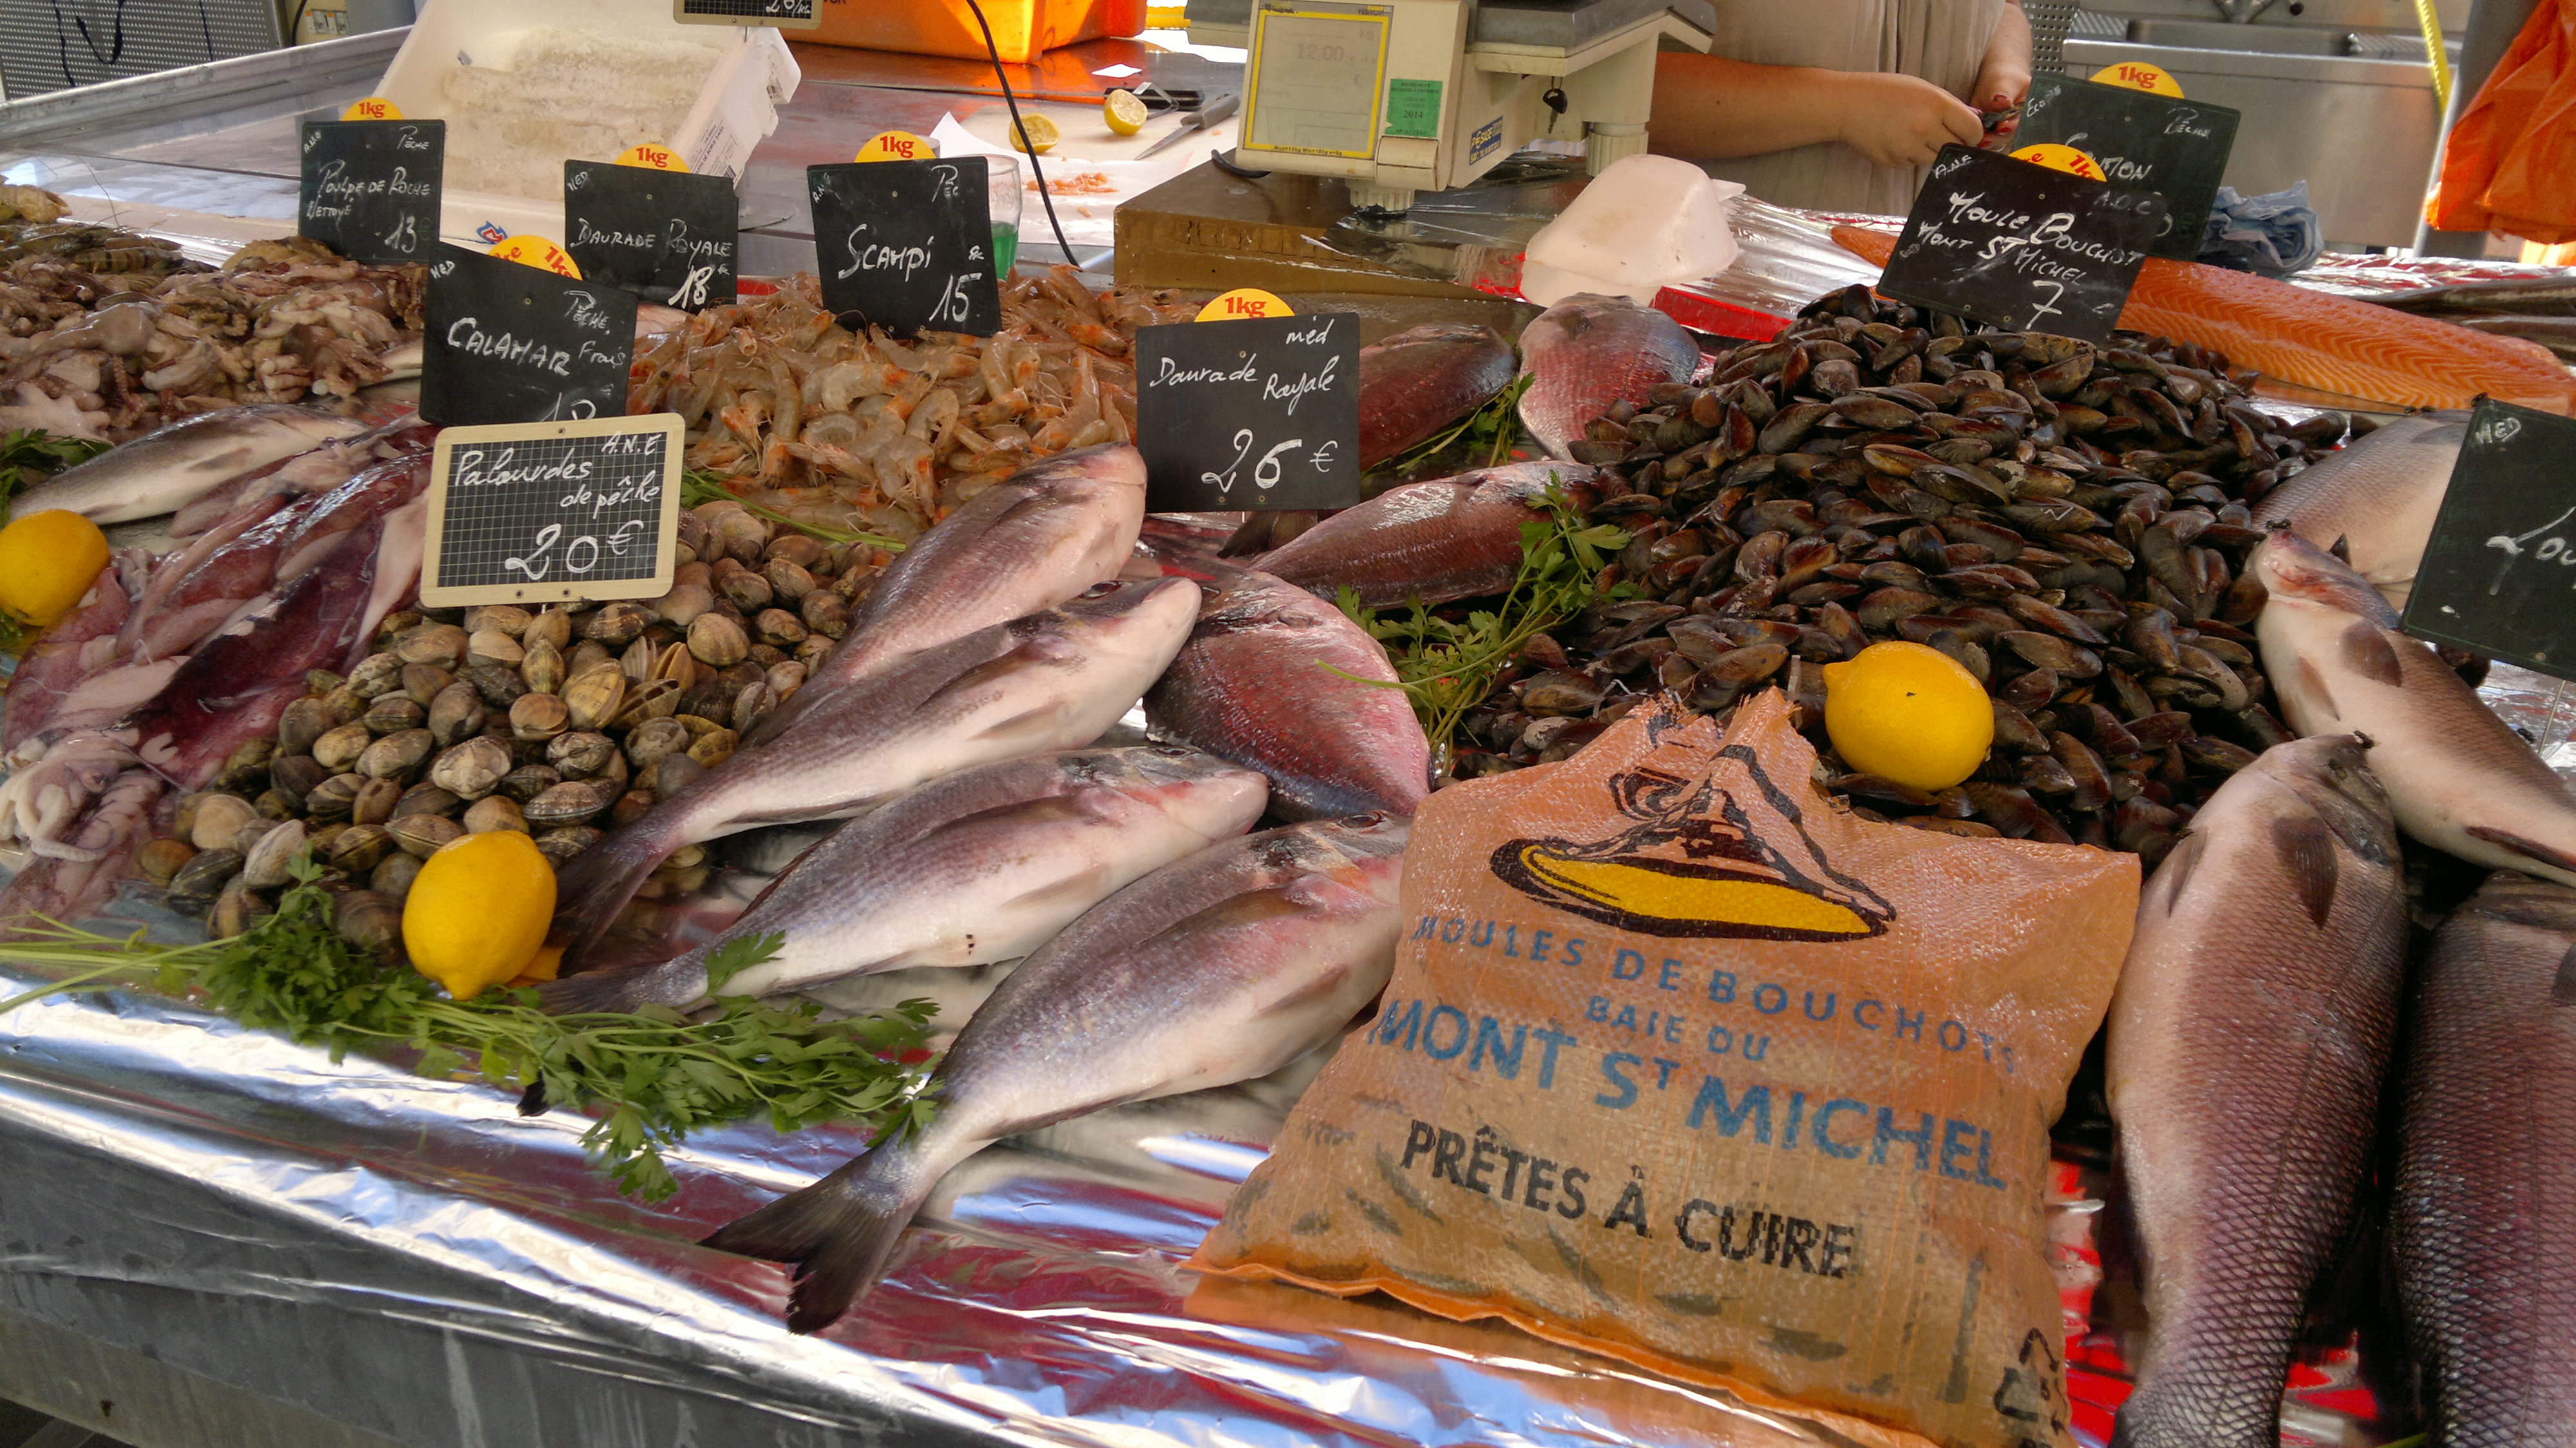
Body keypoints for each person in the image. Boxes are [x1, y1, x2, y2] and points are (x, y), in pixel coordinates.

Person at [1649, 0, 2033, 214]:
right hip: (1713, 263)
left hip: (1931, 263)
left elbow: (2004, 8)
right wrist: (1843, 106)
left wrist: (2005, 63)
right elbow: (1618, 84)